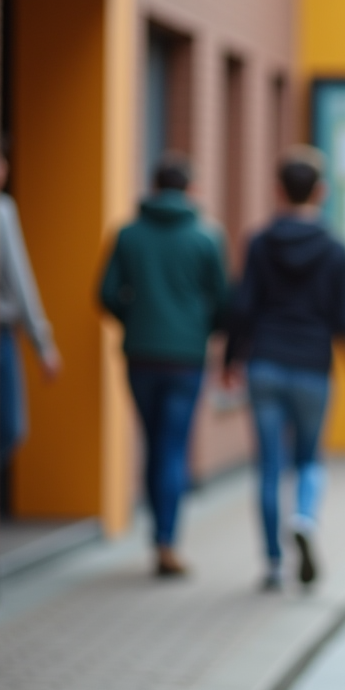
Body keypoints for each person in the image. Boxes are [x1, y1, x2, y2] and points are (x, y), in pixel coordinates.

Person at [224, 145, 345, 591]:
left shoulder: (258, 242)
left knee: (269, 466)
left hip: (265, 364)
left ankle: (272, 563)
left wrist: (231, 359)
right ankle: (305, 518)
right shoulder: (335, 249)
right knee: (308, 459)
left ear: (277, 191)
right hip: (313, 366)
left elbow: (243, 306)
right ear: (321, 192)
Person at [100, 152, 227, 577]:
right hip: (186, 359)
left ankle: (158, 535)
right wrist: (199, 329)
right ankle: (166, 542)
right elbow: (224, 302)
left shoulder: (128, 234)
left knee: (154, 443)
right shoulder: (206, 236)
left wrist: (134, 320)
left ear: (153, 187)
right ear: (188, 189)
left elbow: (105, 293)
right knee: (173, 447)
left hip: (140, 355)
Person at [0, 146, 62, 517]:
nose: (2, 169)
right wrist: (43, 344)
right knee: (9, 426)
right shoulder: (0, 210)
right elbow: (21, 283)